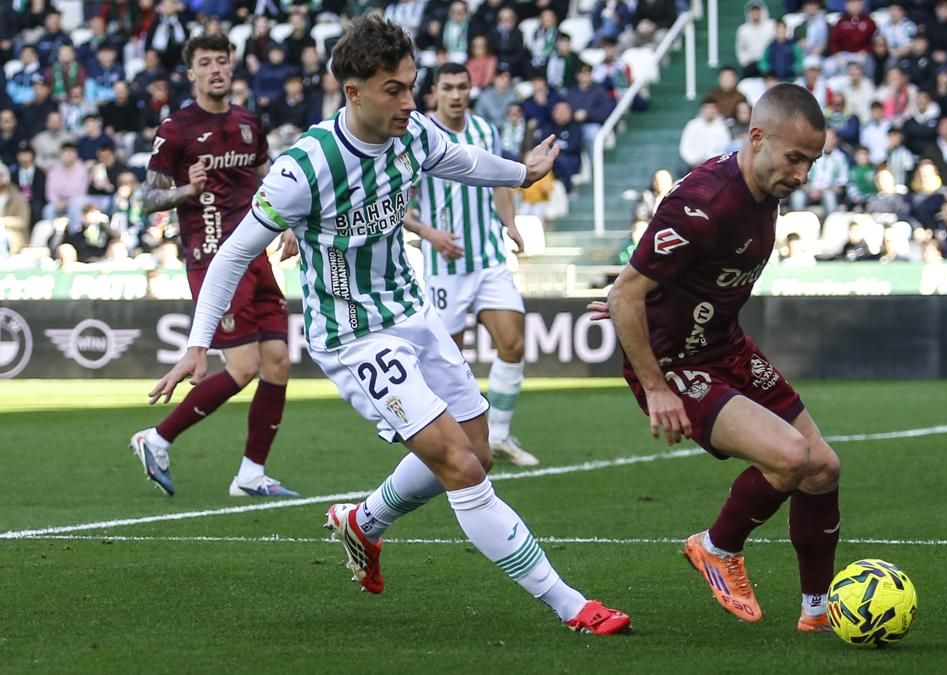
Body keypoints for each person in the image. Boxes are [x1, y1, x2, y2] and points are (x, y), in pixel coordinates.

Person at [151, 16, 630, 635]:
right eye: (394, 89)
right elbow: (235, 253)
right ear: (353, 92)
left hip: (414, 313)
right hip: (354, 336)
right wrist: (197, 343)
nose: (410, 100)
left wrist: (522, 173)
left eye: (411, 85)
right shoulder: (306, 167)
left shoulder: (413, 132)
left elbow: (459, 159)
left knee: (477, 447)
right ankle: (571, 604)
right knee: (461, 463)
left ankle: (363, 522)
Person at [593, 83, 841, 632]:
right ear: (757, 138)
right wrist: (658, 388)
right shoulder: (704, 201)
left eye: (812, 163)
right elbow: (625, 295)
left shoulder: (766, 189)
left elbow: (645, 286)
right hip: (676, 362)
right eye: (795, 158)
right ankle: (716, 547)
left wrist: (645, 292)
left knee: (822, 467)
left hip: (725, 344)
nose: (802, 175)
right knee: (790, 457)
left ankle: (819, 613)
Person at [129, 34, 300, 499]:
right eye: (206, 63)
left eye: (222, 61)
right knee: (244, 366)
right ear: (192, 74)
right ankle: (157, 438)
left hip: (257, 252)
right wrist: (185, 190)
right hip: (211, 258)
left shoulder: (249, 123)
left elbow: (270, 181)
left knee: (279, 362)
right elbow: (147, 199)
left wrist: (290, 220)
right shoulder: (177, 128)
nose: (216, 69)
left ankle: (250, 475)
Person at [405, 62, 540, 467]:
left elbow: (500, 180)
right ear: (435, 93)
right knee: (450, 362)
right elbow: (399, 202)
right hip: (445, 266)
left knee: (513, 342)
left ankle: (498, 434)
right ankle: (452, 441)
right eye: (448, 88)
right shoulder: (419, 134)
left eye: (462, 87)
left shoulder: (485, 131)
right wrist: (431, 234)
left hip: (489, 259)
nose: (456, 95)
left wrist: (511, 223)